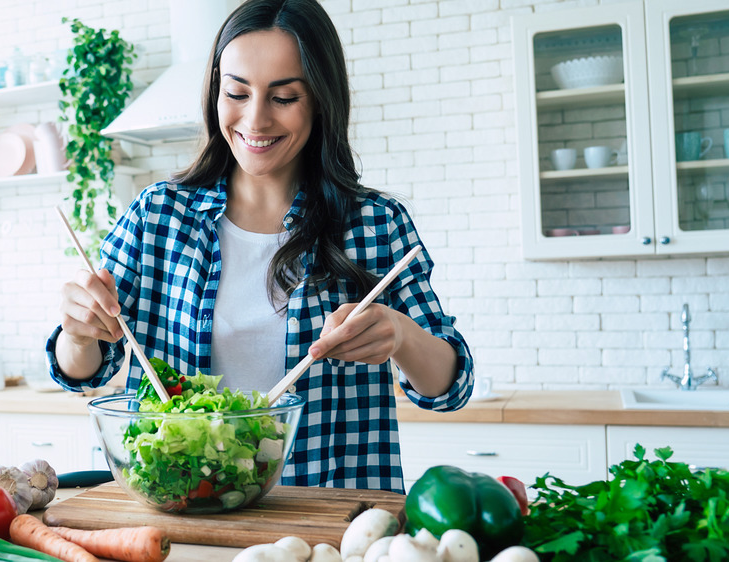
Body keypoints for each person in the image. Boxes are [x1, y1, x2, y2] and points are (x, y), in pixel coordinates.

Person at [46, 0, 473, 494]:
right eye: (237, 92)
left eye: (284, 97)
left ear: (320, 100)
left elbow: (450, 388)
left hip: (331, 516)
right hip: (183, 512)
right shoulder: (158, 215)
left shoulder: (374, 224)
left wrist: (402, 336)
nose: (255, 119)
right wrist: (78, 335)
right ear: (215, 94)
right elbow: (80, 373)